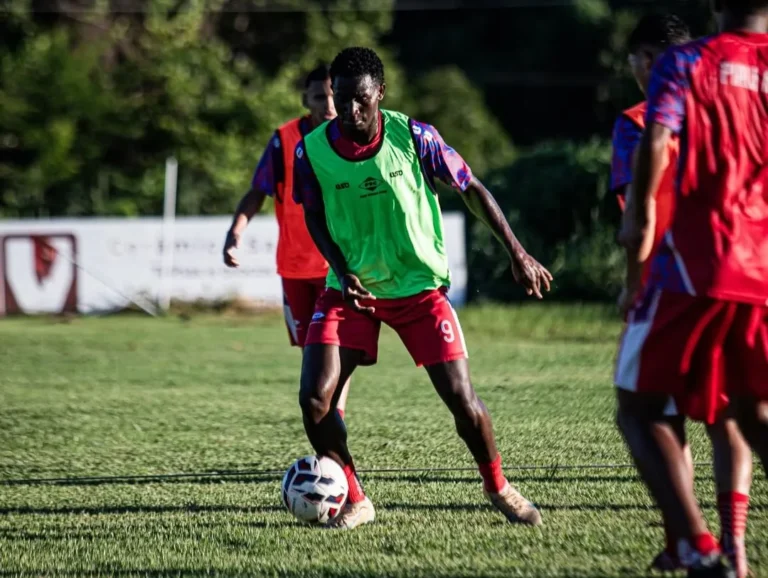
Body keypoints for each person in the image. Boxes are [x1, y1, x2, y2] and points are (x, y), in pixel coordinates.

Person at [292, 46, 553, 530]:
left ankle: (498, 486)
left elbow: (471, 187)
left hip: (419, 290)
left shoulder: (414, 136)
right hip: (352, 291)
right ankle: (355, 497)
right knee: (314, 399)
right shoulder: (311, 151)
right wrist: (339, 266)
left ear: (381, 94)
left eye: (360, 100)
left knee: (462, 400)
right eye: (341, 98)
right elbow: (312, 213)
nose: (350, 111)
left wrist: (517, 252)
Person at [616, 0, 768, 575]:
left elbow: (657, 143)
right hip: (764, 271)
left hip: (694, 266)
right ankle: (723, 547)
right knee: (749, 414)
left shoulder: (686, 64)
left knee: (637, 406)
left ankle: (697, 546)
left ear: (716, 3)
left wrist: (639, 225)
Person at [223, 63, 352, 419]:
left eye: (332, 95)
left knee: (334, 345)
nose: (327, 104)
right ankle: (328, 419)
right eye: (318, 96)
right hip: (294, 267)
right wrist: (235, 233)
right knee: (311, 352)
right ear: (304, 100)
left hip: (336, 268)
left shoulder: (350, 137)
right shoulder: (284, 140)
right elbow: (258, 191)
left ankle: (334, 420)